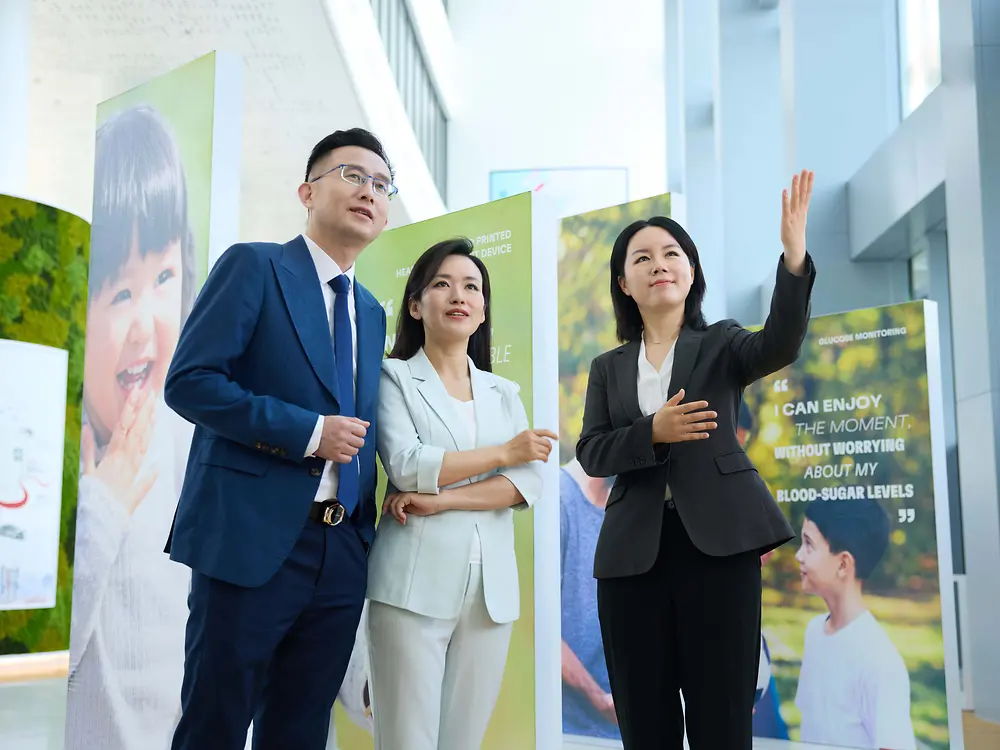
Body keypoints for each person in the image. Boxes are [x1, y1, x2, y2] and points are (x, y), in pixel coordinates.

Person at [163, 129, 393, 750]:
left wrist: (364, 532)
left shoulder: (370, 310)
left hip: (340, 549)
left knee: (300, 730)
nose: (368, 191)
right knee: (214, 721)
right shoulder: (254, 265)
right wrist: (310, 433)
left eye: (381, 184)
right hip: (250, 540)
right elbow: (189, 383)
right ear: (307, 190)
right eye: (352, 175)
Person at [576, 170, 817, 749]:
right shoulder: (608, 367)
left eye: (671, 252)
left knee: (722, 713)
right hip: (633, 558)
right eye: (642, 257)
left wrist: (794, 257)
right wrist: (651, 432)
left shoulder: (723, 343)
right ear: (624, 282)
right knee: (645, 716)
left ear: (691, 271)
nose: (659, 263)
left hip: (720, 548)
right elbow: (591, 451)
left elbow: (780, 344)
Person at [366, 238, 555, 750]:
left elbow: (526, 484)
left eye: (472, 286)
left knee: (463, 743)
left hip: (490, 592)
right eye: (443, 284)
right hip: (410, 588)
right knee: (406, 739)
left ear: (482, 309)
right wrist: (503, 454)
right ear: (414, 304)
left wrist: (443, 498)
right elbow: (409, 466)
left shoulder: (503, 392)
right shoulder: (393, 377)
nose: (459, 295)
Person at [66, 105, 196, 750]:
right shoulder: (64, 461)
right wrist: (105, 500)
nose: (146, 323)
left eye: (164, 277)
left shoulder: (187, 442)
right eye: (120, 293)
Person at [795, 498, 916, 750]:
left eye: (808, 545)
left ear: (843, 564)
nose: (798, 555)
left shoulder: (879, 661)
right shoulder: (814, 632)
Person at [559, 458, 621, 741]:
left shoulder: (626, 503)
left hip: (623, 728)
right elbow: (536, 625)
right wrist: (598, 698)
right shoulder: (557, 499)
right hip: (569, 731)